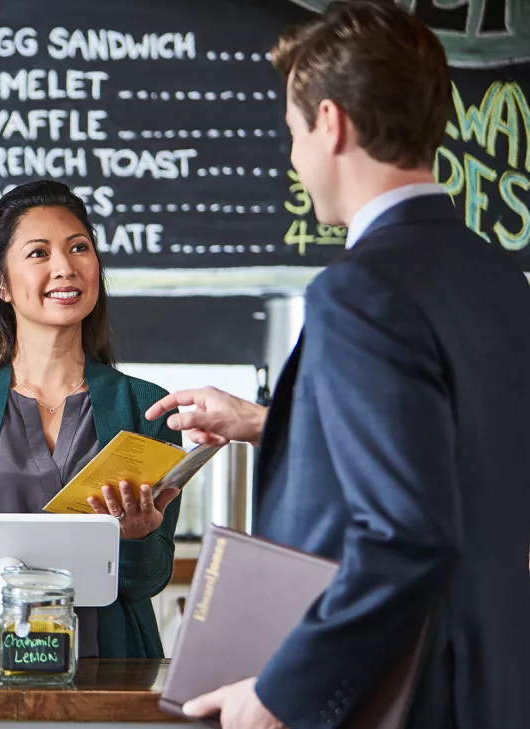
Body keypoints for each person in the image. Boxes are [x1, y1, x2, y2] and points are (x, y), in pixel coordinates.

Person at [146, 3, 530, 727]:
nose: (293, 159)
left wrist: (278, 694)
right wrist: (268, 422)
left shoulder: (360, 290)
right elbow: (456, 459)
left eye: (293, 134)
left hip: (405, 698)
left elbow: (406, 532)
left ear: (331, 123)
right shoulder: (498, 278)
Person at [0, 180, 182, 659]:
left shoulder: (149, 409)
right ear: (1, 283)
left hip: (115, 662)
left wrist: (135, 539)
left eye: (79, 248)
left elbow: (150, 578)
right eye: (38, 253)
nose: (65, 267)